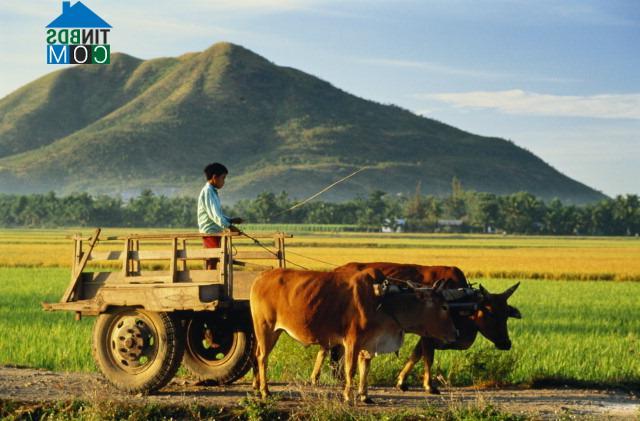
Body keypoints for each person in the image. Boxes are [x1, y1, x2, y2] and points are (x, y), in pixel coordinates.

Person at [197, 163, 243, 269]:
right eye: (223, 178)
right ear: (214, 177)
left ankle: (212, 280)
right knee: (212, 259)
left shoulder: (212, 191)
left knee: (215, 258)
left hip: (215, 231)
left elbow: (218, 215)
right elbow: (215, 216)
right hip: (210, 232)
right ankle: (210, 281)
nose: (224, 181)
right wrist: (230, 226)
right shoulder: (208, 191)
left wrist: (231, 220)